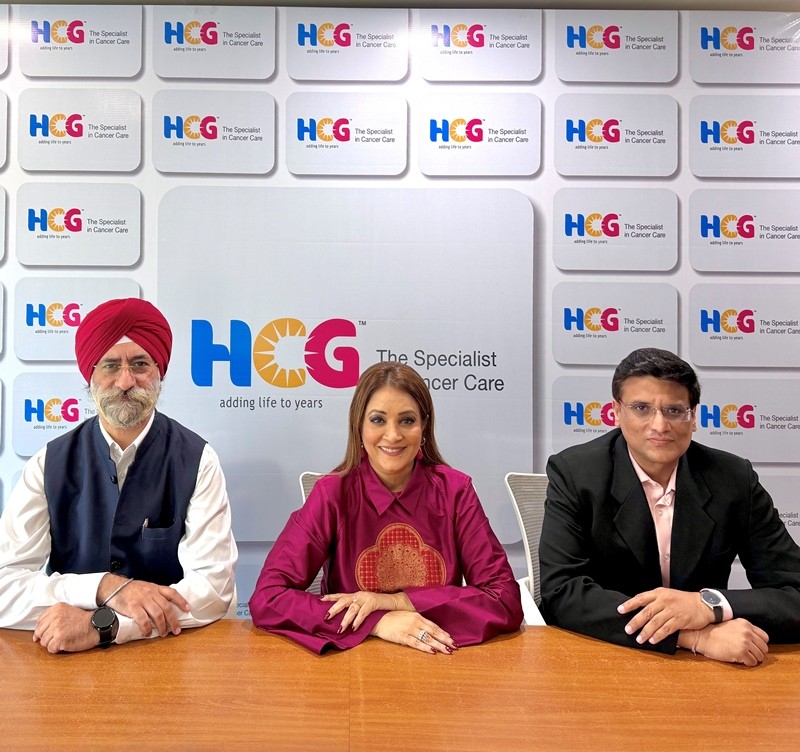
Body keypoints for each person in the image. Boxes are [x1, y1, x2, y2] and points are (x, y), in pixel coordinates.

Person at [0, 298, 238, 653]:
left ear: (159, 372)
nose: (125, 381)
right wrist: (104, 587)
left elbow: (214, 591)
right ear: (90, 376)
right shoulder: (48, 464)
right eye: (110, 366)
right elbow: (4, 587)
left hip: (169, 655)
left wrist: (106, 626)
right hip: (67, 661)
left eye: (140, 364)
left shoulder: (197, 459)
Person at [540, 347, 800, 667]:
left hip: (704, 673)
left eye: (674, 410)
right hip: (606, 656)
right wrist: (691, 637)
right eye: (642, 408)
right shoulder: (576, 473)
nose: (660, 425)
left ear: (693, 417)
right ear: (616, 412)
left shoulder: (733, 479)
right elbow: (562, 592)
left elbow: (794, 592)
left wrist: (708, 604)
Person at [249, 361, 523, 654]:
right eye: (378, 420)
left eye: (407, 420)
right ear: (359, 427)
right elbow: (268, 598)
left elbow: (504, 599)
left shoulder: (456, 491)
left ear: (424, 427)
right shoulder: (331, 493)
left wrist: (395, 602)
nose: (393, 435)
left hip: (440, 662)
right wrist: (378, 621)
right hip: (353, 663)